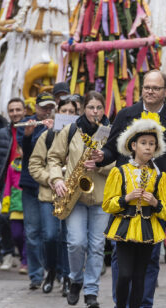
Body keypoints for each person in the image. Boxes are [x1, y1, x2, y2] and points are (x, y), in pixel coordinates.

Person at [91, 70, 166, 308]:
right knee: (120, 258)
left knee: (151, 257)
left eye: (155, 88)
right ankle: (120, 303)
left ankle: (144, 304)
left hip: (155, 199)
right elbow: (113, 149)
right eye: (146, 87)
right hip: (126, 195)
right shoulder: (126, 115)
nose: (150, 91)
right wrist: (103, 156)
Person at [46, 91, 113, 307]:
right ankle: (76, 279)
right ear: (84, 108)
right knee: (76, 243)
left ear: (104, 109)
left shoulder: (110, 133)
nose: (95, 112)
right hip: (74, 196)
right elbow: (54, 157)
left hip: (101, 197)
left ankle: (91, 291)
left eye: (99, 108)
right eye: (91, 107)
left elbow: (120, 164)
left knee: (96, 246)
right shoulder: (71, 130)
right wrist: (57, 179)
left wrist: (102, 164)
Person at [103, 112, 166, 308]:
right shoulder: (120, 172)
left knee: (140, 276)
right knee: (124, 274)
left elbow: (165, 212)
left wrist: (155, 203)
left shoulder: (159, 176)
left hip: (148, 228)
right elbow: (108, 203)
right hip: (124, 227)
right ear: (133, 146)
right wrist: (126, 198)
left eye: (151, 143)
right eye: (143, 143)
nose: (148, 147)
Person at [29, 97, 75, 295]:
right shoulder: (46, 136)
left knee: (67, 238)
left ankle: (66, 276)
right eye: (63, 111)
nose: (66, 115)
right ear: (57, 114)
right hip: (49, 195)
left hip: (73, 196)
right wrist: (51, 179)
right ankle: (51, 271)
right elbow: (34, 165)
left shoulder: (81, 137)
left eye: (71, 111)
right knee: (50, 236)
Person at [18, 92, 55, 290]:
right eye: (43, 108)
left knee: (50, 233)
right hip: (31, 185)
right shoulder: (26, 123)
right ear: (36, 108)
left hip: (50, 185)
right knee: (32, 231)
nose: (47, 111)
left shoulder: (59, 125)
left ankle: (53, 269)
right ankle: (35, 275)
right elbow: (27, 154)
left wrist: (52, 132)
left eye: (50, 107)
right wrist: (29, 135)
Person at [0, 98, 27, 270]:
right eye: (11, 110)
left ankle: (25, 257)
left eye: (18, 110)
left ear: (25, 111)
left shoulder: (32, 130)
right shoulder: (2, 134)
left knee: (26, 223)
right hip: (8, 183)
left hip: (27, 183)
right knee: (5, 219)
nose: (15, 113)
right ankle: (7, 253)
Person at [1, 145, 27, 274]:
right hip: (16, 204)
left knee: (28, 235)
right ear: (18, 150)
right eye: (21, 148)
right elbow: (8, 184)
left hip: (29, 204)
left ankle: (25, 261)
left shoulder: (34, 163)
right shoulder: (13, 166)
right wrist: (6, 202)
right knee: (16, 234)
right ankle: (23, 256)